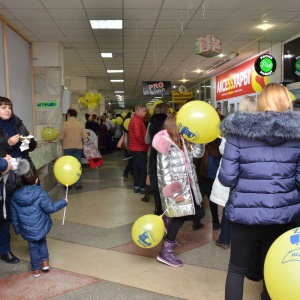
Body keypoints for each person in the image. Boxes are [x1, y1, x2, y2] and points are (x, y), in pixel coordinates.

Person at [218, 83, 300, 300]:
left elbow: (226, 178)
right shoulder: (297, 136)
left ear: (261, 102)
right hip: (283, 217)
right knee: (272, 270)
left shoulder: (238, 133)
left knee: (237, 270)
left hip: (245, 216)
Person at [152, 112, 205, 267]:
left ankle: (167, 220)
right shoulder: (164, 141)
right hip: (177, 189)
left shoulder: (182, 138)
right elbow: (164, 170)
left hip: (189, 185)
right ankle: (165, 252)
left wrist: (199, 139)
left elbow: (197, 153)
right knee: (180, 218)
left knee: (199, 212)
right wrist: (174, 193)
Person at [211, 95, 257, 249]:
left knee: (229, 206)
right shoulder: (262, 127)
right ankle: (248, 241)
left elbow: (224, 150)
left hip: (235, 174)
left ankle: (225, 239)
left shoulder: (233, 127)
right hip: (253, 174)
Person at [10, 159, 68, 278]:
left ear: (21, 180)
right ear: (37, 180)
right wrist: (63, 202)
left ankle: (36, 270)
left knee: (32, 247)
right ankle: (45, 263)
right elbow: (50, 208)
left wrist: (17, 230)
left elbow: (14, 215)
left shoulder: (15, 196)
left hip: (27, 229)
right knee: (42, 242)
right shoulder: (41, 193)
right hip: (41, 226)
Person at [0, 96, 37, 264]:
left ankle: (35, 246)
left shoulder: (17, 122)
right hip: (5, 175)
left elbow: (31, 147)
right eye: (2, 107)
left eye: (9, 107)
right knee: (5, 215)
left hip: (24, 169)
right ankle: (5, 250)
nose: (7, 110)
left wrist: (29, 140)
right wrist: (7, 143)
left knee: (30, 208)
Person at [147, 102, 169, 213]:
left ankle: (158, 207)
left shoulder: (151, 122)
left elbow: (146, 140)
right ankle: (168, 206)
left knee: (155, 178)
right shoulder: (169, 121)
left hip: (154, 153)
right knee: (167, 178)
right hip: (167, 153)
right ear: (165, 110)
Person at [58, 108, 88, 190]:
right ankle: (78, 185)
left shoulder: (65, 124)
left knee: (68, 166)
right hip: (78, 147)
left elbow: (61, 137)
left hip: (67, 147)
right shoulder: (80, 124)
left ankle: (69, 184)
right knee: (78, 166)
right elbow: (85, 136)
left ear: (69, 114)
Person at [197, 138, 222, 230]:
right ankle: (215, 223)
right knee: (213, 201)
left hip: (200, 175)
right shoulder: (216, 147)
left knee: (198, 199)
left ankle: (196, 222)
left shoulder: (199, 144)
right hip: (211, 177)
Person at [128, 104, 149, 194]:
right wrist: (145, 143)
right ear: (138, 110)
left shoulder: (135, 120)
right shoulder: (137, 121)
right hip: (138, 148)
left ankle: (137, 186)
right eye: (144, 111)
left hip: (134, 147)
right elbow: (138, 136)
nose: (145, 113)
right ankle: (143, 187)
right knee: (143, 168)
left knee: (136, 168)